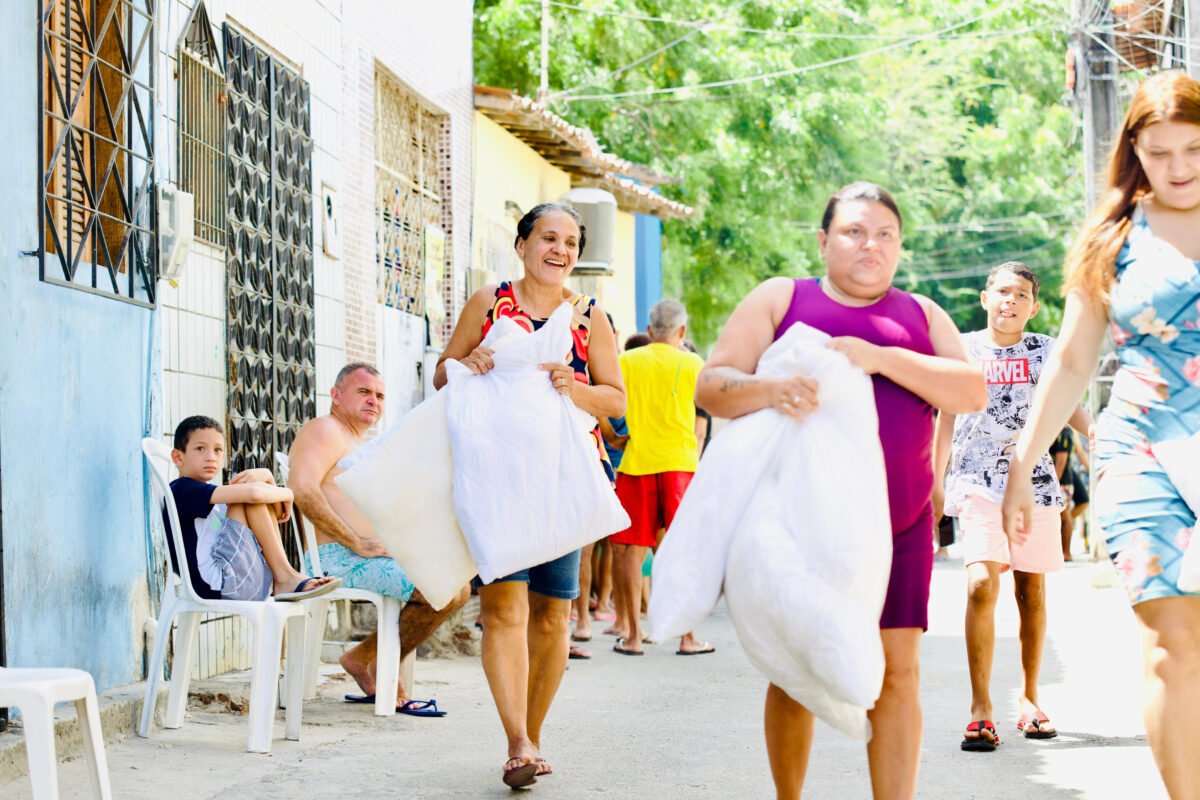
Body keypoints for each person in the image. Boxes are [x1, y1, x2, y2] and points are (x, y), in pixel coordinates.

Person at [695, 181, 987, 799]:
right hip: (799, 524)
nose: (870, 246)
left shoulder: (922, 314)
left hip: (900, 524)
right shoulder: (782, 298)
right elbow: (711, 384)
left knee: (899, 675)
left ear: (900, 246)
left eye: (885, 235)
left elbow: (970, 391)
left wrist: (879, 358)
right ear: (825, 240)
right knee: (795, 670)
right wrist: (770, 391)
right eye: (854, 231)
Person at [1002, 71, 1200, 798]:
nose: (1178, 168)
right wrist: (1023, 466)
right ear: (1134, 152)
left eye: (1193, 149)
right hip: (1140, 451)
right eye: (1160, 152)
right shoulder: (1111, 239)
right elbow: (1073, 361)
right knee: (1170, 650)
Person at [433, 202, 625, 789]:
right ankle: (516, 740)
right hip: (497, 482)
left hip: (563, 485)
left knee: (551, 614)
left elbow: (616, 401)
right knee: (503, 610)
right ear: (522, 244)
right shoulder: (489, 303)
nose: (560, 250)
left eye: (570, 242)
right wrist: (468, 360)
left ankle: (533, 733)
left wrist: (577, 388)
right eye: (548, 238)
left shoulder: (590, 317)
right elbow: (442, 373)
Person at [932, 261, 1090, 752]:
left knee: (1030, 592)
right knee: (982, 583)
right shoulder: (962, 348)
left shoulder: (1044, 351)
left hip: (1034, 480)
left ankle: (1028, 698)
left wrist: (1104, 436)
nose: (1010, 301)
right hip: (977, 480)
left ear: (1034, 306)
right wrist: (933, 481)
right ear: (985, 298)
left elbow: (1068, 407)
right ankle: (981, 708)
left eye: (1021, 294)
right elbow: (944, 415)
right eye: (1002, 291)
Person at [288, 363, 470, 715]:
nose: (373, 401)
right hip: (336, 558)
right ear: (336, 395)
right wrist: (355, 540)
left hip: (366, 555)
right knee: (443, 588)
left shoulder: (357, 441)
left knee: (454, 584)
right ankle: (371, 663)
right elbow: (302, 489)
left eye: (380, 396)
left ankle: (368, 658)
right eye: (364, 392)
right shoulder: (325, 429)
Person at [608, 299, 711, 657]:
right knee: (679, 551)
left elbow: (611, 408)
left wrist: (614, 437)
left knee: (631, 555)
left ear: (650, 331)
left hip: (636, 462)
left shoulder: (625, 361)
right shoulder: (693, 363)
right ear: (681, 332)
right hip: (680, 464)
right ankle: (687, 637)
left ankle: (634, 636)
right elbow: (704, 412)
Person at [167, 415, 340, 603]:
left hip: (242, 581)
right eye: (200, 449)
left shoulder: (213, 498)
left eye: (218, 450)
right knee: (245, 497)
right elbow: (254, 496)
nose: (211, 457)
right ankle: (285, 577)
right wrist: (289, 494)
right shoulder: (181, 489)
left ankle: (285, 576)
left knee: (246, 494)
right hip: (219, 584)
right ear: (178, 457)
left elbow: (275, 508)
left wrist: (267, 477)